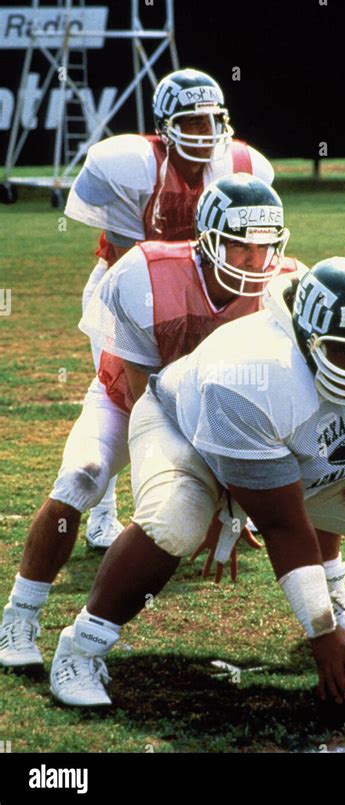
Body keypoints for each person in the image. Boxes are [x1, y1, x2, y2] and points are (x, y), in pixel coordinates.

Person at [47, 256, 345, 707]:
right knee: (175, 520)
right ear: (308, 339)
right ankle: (79, 648)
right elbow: (284, 525)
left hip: (290, 451)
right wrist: (323, 633)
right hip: (185, 432)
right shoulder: (255, 373)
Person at [0, 173, 298, 672]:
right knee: (81, 476)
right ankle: (20, 615)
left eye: (264, 247)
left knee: (321, 471)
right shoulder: (146, 273)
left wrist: (234, 501)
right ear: (209, 239)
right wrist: (208, 495)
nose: (254, 260)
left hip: (222, 416)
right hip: (132, 403)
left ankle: (332, 600)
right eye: (241, 246)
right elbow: (147, 404)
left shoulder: (287, 287)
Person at [65, 67, 274, 548]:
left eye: (211, 119)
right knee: (128, 399)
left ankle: (233, 505)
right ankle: (110, 511)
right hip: (127, 292)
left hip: (207, 290)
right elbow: (128, 268)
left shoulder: (241, 166)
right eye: (191, 121)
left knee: (225, 388)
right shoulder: (131, 165)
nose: (204, 132)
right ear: (164, 124)